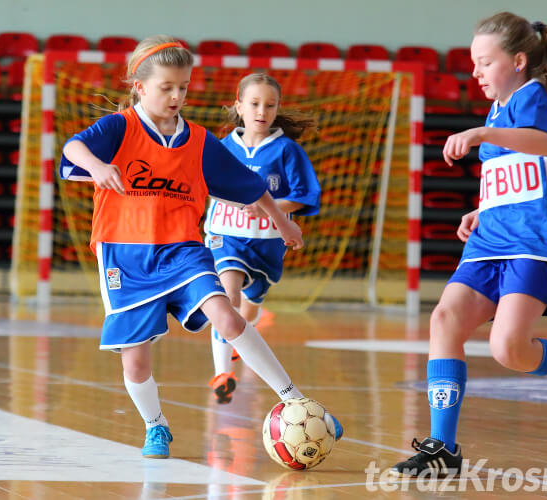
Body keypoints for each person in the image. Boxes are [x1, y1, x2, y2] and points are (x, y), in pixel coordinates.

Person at [59, 35, 342, 459]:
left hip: (181, 249)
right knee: (134, 362)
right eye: (167, 87)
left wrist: (283, 221)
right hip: (124, 254)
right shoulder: (121, 128)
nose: (177, 96)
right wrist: (98, 166)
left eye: (184, 88)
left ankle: (297, 400)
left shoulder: (199, 140)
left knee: (226, 315)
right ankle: (156, 426)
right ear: (140, 87)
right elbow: (71, 148)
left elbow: (252, 187)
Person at [390, 12, 547, 478]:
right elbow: (513, 175)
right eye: (473, 63)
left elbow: (545, 145)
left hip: (531, 243)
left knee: (509, 347)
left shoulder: (533, 97)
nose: (474, 72)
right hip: (492, 236)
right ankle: (443, 447)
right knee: (444, 319)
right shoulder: (497, 109)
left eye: (483, 62)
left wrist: (480, 133)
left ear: (517, 61)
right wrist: (481, 210)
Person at [205, 73, 321, 404]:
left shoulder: (287, 150)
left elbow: (304, 195)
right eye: (254, 103)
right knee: (225, 300)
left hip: (267, 240)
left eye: (270, 105)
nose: (262, 111)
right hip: (225, 235)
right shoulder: (222, 148)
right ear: (238, 106)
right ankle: (222, 373)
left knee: (249, 310)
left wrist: (271, 209)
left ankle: (244, 335)